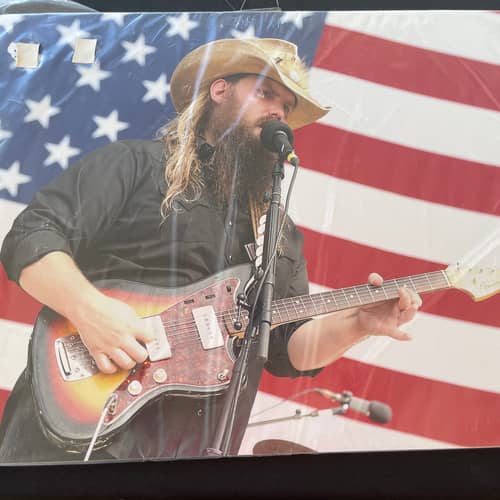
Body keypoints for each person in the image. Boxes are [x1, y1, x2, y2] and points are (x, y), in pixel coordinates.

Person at [0, 38, 422, 462]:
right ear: (219, 91)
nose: (278, 112)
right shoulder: (136, 164)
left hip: (189, 449)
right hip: (72, 430)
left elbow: (286, 348)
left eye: (287, 106)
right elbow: (32, 235)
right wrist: (91, 311)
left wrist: (358, 323)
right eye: (265, 93)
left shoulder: (277, 233)